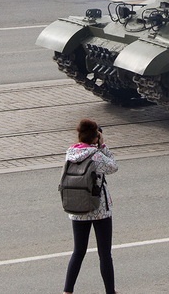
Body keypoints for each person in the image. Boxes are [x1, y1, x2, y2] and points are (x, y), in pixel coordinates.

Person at [62, 119, 118, 294]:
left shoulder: (70, 153)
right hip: (98, 208)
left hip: (77, 208)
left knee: (78, 252)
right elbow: (113, 167)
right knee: (104, 253)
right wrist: (102, 145)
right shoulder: (96, 155)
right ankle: (110, 291)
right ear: (95, 137)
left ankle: (67, 291)